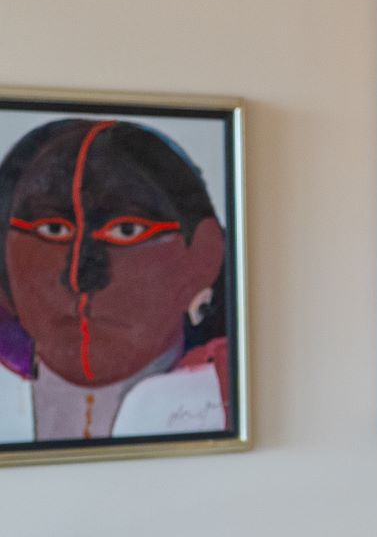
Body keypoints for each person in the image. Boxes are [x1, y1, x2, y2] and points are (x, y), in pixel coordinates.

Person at [0, 119, 231, 442]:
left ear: (205, 253)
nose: (81, 275)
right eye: (53, 230)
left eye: (126, 230)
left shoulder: (226, 393)